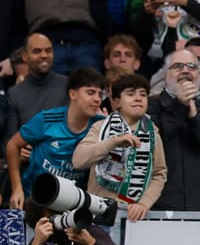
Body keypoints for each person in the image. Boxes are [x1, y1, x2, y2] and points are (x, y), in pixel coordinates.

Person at [5, 68, 105, 210]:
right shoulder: (47, 120)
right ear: (72, 94)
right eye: (90, 93)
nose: (97, 99)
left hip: (72, 205)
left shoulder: (100, 126)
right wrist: (16, 189)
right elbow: (12, 145)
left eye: (100, 94)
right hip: (33, 199)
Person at [72, 73, 166, 221]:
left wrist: (144, 203)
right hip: (98, 212)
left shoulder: (153, 134)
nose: (138, 98)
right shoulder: (101, 127)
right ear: (117, 101)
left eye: (143, 94)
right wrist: (114, 142)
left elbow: (159, 173)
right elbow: (78, 161)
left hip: (134, 216)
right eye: (130, 94)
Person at [152, 49, 200, 211]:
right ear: (166, 74)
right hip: (157, 207)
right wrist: (179, 106)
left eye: (192, 67)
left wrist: (194, 116)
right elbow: (152, 147)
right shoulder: (151, 107)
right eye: (178, 66)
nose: (186, 71)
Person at [2, 34, 67, 143]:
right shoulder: (14, 94)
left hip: (63, 154)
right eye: (37, 51)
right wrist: (18, 151)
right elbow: (10, 139)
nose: (44, 55)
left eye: (48, 50)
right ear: (25, 56)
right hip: (28, 156)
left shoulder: (68, 84)